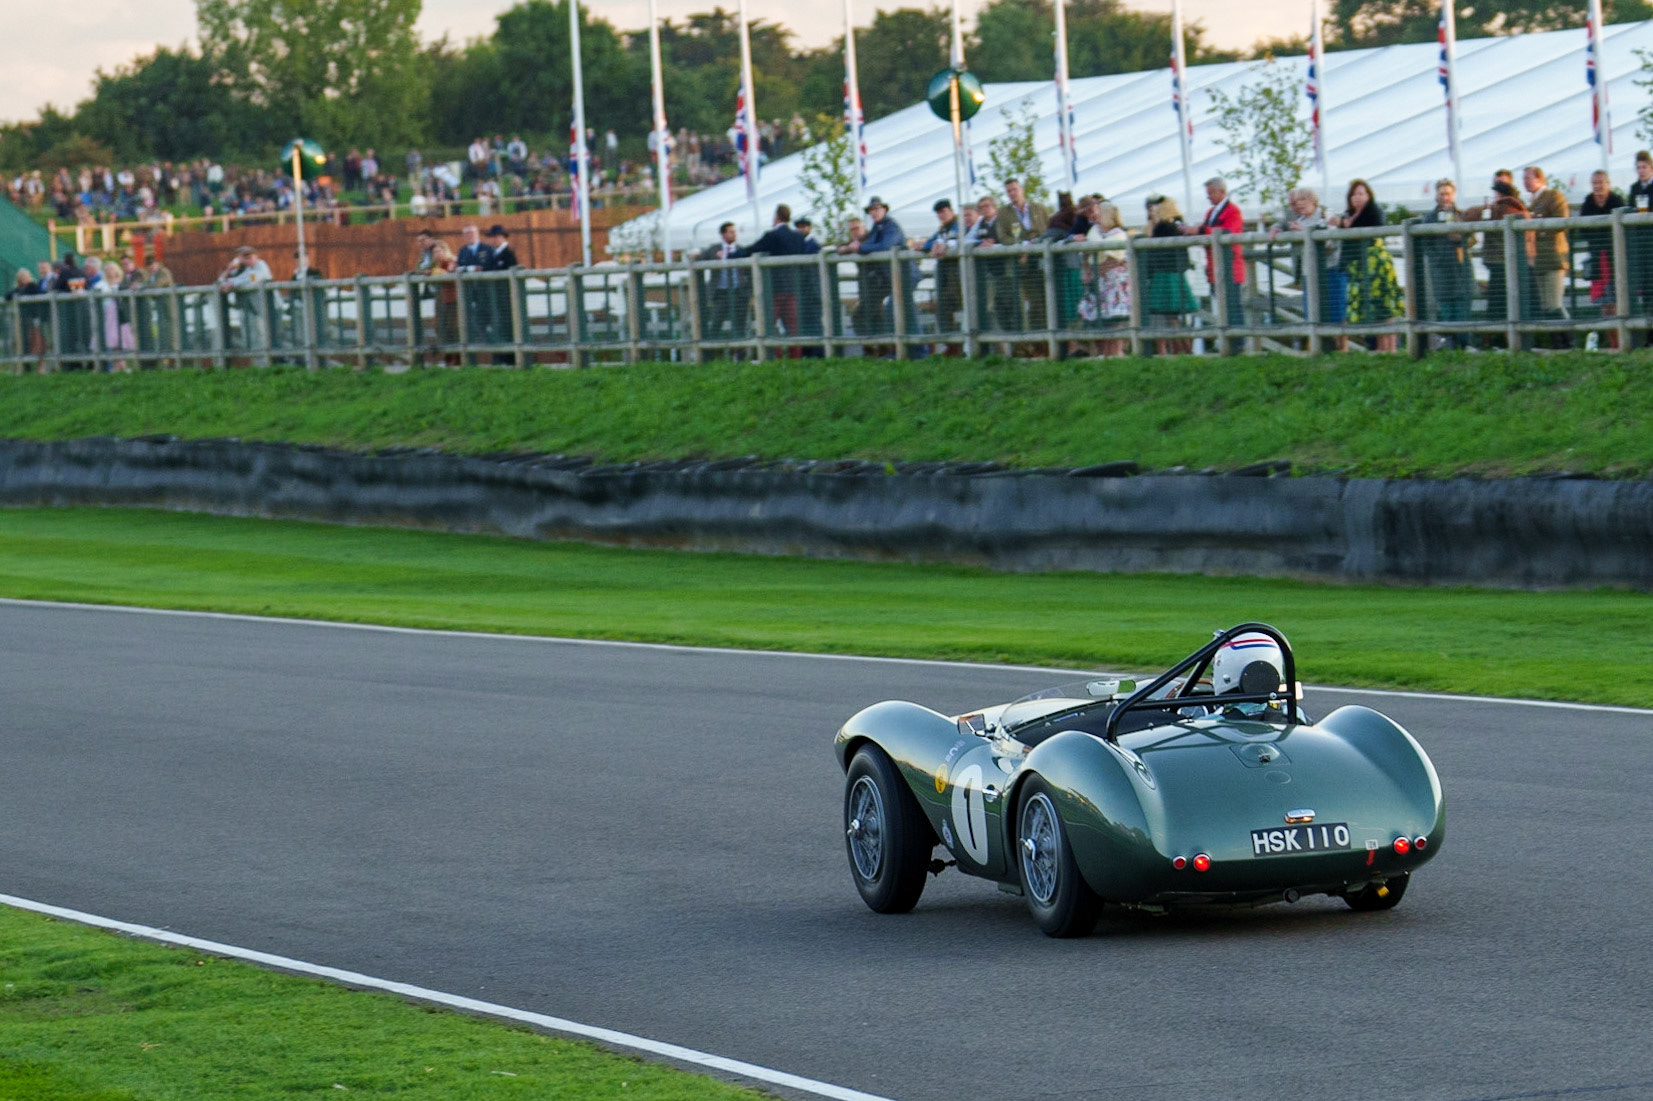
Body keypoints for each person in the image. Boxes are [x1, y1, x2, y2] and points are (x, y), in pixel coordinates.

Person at [1329, 179, 1400, 351]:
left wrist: (1346, 225)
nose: (1357, 197)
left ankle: (1390, 349)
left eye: (1361, 193)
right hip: (1357, 268)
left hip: (1377, 267)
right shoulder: (1347, 215)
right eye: (1353, 194)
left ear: (1369, 195)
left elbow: (1373, 230)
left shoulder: (1375, 212)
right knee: (1368, 308)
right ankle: (1378, 349)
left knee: (1383, 307)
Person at [1181, 176, 1246, 351]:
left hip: (1230, 266)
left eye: (1210, 193)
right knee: (1220, 305)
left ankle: (1237, 344)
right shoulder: (1211, 213)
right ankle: (1225, 342)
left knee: (1232, 306)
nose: (1208, 196)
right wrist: (1193, 231)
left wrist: (1200, 230)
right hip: (1213, 267)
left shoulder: (1233, 211)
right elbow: (1207, 232)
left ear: (1222, 192)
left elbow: (1229, 232)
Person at [1272, 187, 1345, 342]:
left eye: (1303, 200)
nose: (1300, 204)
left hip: (1330, 270)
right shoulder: (1297, 222)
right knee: (1312, 313)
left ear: (1313, 200)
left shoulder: (1327, 215)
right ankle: (1318, 346)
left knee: (1336, 311)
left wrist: (1304, 232)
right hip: (1309, 273)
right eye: (1297, 201)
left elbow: (1331, 244)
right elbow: (1280, 238)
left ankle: (1342, 348)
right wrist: (1278, 231)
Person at [1415, 179, 1475, 349]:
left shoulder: (1462, 216)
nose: (1445, 197)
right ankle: (1451, 348)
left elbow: (1473, 239)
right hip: (1442, 274)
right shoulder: (1429, 218)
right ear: (1436, 195)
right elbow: (1425, 244)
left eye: (1448, 194)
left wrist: (1461, 239)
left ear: (1453, 195)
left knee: (1463, 312)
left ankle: (1464, 346)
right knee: (1447, 312)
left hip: (1461, 271)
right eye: (1441, 194)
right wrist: (1438, 258)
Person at [745, 203, 809, 355]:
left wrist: (731, 254)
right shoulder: (799, 237)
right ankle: (796, 357)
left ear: (776, 217)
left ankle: (775, 356)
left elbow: (751, 250)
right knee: (793, 327)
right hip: (792, 288)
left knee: (770, 324)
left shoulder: (772, 236)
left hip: (773, 289)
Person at [1467, 180, 1530, 335]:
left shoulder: (1499, 209)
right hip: (1517, 262)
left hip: (1498, 261)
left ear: (1499, 194)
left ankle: (1496, 336)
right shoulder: (1521, 209)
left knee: (1496, 302)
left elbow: (1470, 215)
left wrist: (1485, 208)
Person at [991, 179, 1050, 335]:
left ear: (1022, 189)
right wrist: (1022, 245)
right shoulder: (1003, 213)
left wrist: (1036, 242)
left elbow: (1048, 230)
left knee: (1045, 298)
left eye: (1014, 189)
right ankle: (1033, 337)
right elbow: (1003, 237)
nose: (1012, 193)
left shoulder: (1038, 209)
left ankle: (1046, 335)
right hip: (1020, 263)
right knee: (1030, 301)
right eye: (1008, 191)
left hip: (1042, 259)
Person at [1523, 166, 1571, 344]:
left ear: (1539, 178)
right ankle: (1557, 342)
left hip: (1553, 257)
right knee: (1545, 305)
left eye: (1528, 178)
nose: (1525, 182)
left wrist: (1540, 229)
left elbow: (1562, 220)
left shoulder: (1553, 196)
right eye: (1524, 179)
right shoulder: (1531, 202)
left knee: (1554, 304)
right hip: (1538, 259)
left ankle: (1569, 340)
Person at [1144, 196, 1197, 355]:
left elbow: (1153, 250)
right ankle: (1184, 350)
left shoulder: (1163, 226)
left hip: (1164, 274)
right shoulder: (1178, 224)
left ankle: (1183, 350)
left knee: (1170, 316)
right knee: (1172, 317)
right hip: (1176, 273)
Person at [1578, 169, 1626, 343]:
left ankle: (1624, 341)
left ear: (1608, 184)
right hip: (1598, 259)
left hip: (1616, 258)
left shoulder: (1616, 201)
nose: (1597, 186)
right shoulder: (1588, 203)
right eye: (1594, 183)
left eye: (1600, 183)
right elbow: (1583, 229)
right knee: (1605, 303)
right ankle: (1613, 342)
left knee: (1620, 300)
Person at [917, 199, 962, 346]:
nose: (941, 215)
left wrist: (941, 245)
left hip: (959, 276)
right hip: (947, 277)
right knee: (942, 306)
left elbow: (954, 240)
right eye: (939, 213)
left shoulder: (958, 225)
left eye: (943, 211)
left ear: (951, 211)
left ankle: (955, 344)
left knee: (947, 305)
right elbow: (929, 243)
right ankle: (952, 344)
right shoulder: (943, 228)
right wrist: (933, 244)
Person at [217, 244, 273, 355]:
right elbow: (235, 280)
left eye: (241, 259)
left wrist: (231, 284)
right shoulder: (249, 269)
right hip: (256, 309)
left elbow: (252, 280)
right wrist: (228, 272)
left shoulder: (260, 266)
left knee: (267, 338)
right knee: (255, 339)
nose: (240, 262)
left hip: (269, 309)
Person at [698, 221, 750, 342]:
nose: (734, 234)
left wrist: (748, 290)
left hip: (739, 292)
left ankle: (740, 352)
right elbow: (700, 259)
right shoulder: (714, 249)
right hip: (721, 292)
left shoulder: (740, 249)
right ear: (723, 234)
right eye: (731, 232)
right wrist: (697, 255)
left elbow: (749, 271)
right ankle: (710, 350)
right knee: (716, 322)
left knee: (740, 325)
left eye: (734, 232)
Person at [482, 224, 518, 363]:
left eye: (496, 237)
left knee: (507, 328)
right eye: (492, 237)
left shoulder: (508, 254)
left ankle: (509, 359)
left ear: (502, 237)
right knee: (496, 328)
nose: (493, 240)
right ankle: (499, 357)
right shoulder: (492, 254)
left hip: (506, 299)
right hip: (493, 299)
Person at [456, 224, 493, 347]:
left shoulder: (487, 249)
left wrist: (470, 268)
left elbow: (486, 266)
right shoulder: (463, 251)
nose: (469, 236)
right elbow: (459, 267)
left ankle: (490, 340)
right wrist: (471, 268)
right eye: (467, 233)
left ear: (477, 234)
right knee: (473, 316)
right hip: (470, 291)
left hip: (486, 290)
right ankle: (477, 341)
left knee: (487, 315)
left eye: (472, 233)